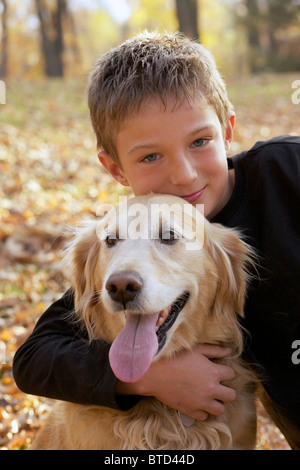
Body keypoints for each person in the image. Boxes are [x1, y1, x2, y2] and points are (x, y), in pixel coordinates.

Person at [13, 31, 300, 449]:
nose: (184, 175)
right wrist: (148, 375)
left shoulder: (289, 171)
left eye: (200, 142)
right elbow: (35, 357)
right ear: (115, 169)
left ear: (227, 130)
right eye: (150, 156)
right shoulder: (131, 239)